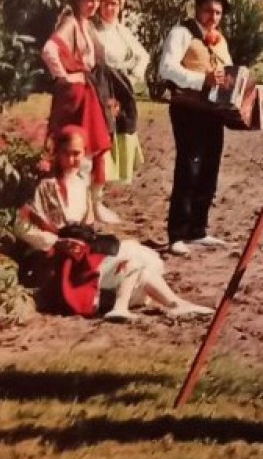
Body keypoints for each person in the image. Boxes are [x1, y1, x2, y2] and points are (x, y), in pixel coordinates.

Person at [20, 126, 212, 321]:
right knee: (132, 259)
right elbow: (23, 225)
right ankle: (128, 306)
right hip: (64, 262)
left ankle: (173, 304)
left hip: (84, 252)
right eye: (65, 154)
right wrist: (55, 242)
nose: (71, 160)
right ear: (57, 153)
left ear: (84, 152)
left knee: (137, 260)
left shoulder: (81, 182)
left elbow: (87, 225)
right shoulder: (46, 186)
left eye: (76, 154)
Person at [157, 0, 236, 255]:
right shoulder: (181, 34)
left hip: (212, 112)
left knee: (210, 170)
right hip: (187, 109)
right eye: (208, 11)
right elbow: (166, 69)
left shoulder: (220, 41)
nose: (212, 17)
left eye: (217, 13)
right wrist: (202, 80)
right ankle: (177, 234)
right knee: (189, 168)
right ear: (197, 9)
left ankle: (198, 230)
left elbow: (228, 76)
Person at [41, 0, 117, 224]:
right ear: (77, 0)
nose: (94, 5)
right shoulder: (70, 22)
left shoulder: (86, 25)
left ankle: (89, 206)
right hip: (75, 95)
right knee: (75, 148)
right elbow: (49, 50)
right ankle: (72, 206)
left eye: (97, 0)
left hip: (88, 91)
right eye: (89, 0)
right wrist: (64, 77)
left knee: (91, 148)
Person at [93, 0, 151, 186]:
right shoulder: (93, 30)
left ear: (120, 7)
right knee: (103, 125)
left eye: (114, 4)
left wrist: (134, 77)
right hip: (100, 84)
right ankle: (101, 178)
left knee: (124, 123)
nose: (110, 8)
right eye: (106, 3)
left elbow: (143, 56)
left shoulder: (123, 31)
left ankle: (120, 172)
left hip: (121, 85)